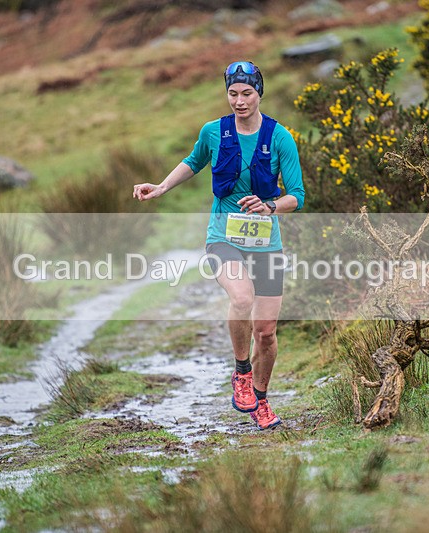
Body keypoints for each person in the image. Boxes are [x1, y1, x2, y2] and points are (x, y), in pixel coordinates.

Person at [133, 61, 305, 430]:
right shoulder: (214, 132)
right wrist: (161, 186)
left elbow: (298, 196)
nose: (239, 101)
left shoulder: (280, 137)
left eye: (247, 93)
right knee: (241, 298)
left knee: (267, 332)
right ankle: (242, 371)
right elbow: (193, 162)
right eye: (233, 93)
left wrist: (270, 205)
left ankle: (260, 399)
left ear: (259, 93)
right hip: (222, 238)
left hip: (265, 244)